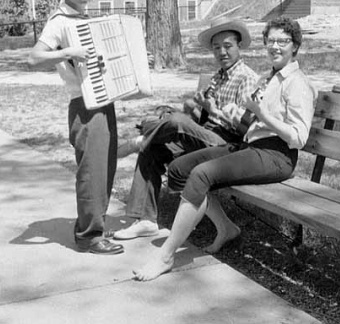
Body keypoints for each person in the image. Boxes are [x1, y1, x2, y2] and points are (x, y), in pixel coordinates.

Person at [133, 17, 318, 281]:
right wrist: (236, 115)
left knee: (201, 174)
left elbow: (298, 137)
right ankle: (226, 229)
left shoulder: (296, 82)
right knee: (178, 169)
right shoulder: (271, 79)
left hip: (276, 156)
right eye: (271, 41)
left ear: (295, 46)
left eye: (283, 41)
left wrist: (261, 114)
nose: (275, 46)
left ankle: (165, 256)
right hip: (251, 147)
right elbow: (252, 121)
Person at [113, 17, 259, 240]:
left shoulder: (246, 78)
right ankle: (145, 220)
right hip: (207, 136)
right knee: (152, 150)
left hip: (229, 146)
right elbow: (202, 118)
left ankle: (142, 136)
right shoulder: (218, 77)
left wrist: (214, 110)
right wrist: (197, 108)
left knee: (177, 122)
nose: (222, 52)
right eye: (217, 48)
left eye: (228, 46)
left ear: (239, 46)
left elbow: (246, 129)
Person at [27, 0, 123, 255]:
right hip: (83, 106)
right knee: (91, 172)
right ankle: (88, 236)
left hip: (102, 101)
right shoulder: (60, 21)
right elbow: (34, 58)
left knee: (105, 168)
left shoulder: (84, 18)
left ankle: (95, 226)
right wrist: (69, 52)